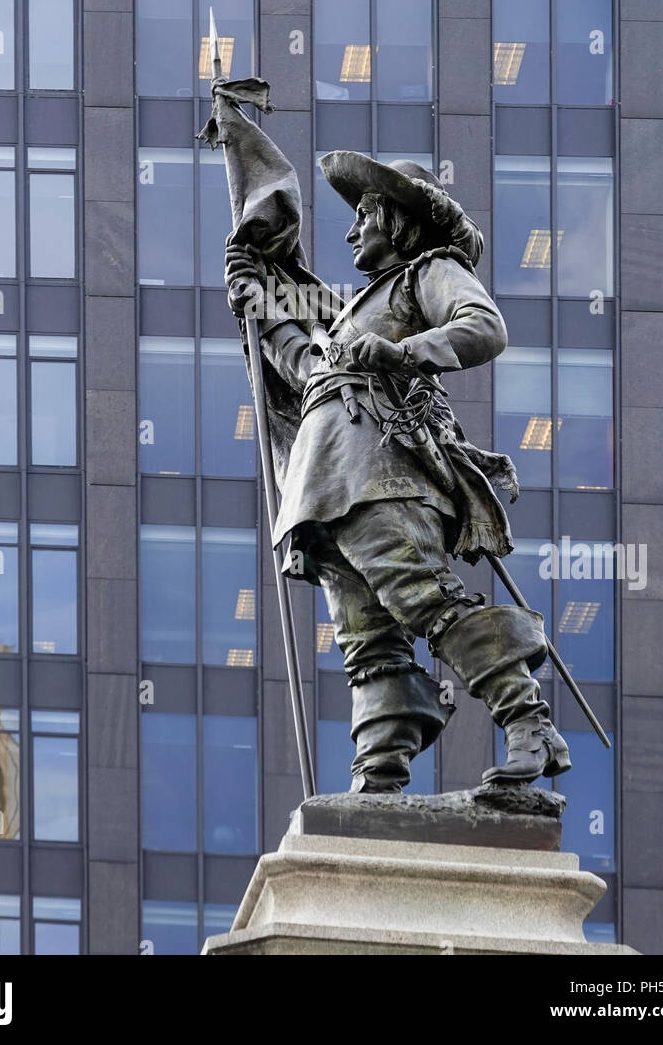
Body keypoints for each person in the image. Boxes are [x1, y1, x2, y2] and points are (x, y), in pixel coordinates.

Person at [225, 152, 571, 794]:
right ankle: (380, 773)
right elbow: (311, 371)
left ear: (399, 220)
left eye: (363, 214)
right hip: (327, 476)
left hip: (384, 467)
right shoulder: (350, 309)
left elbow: (484, 328)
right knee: (366, 635)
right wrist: (264, 310)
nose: (352, 230)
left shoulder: (428, 274)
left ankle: (528, 721)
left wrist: (402, 351)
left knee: (419, 594)